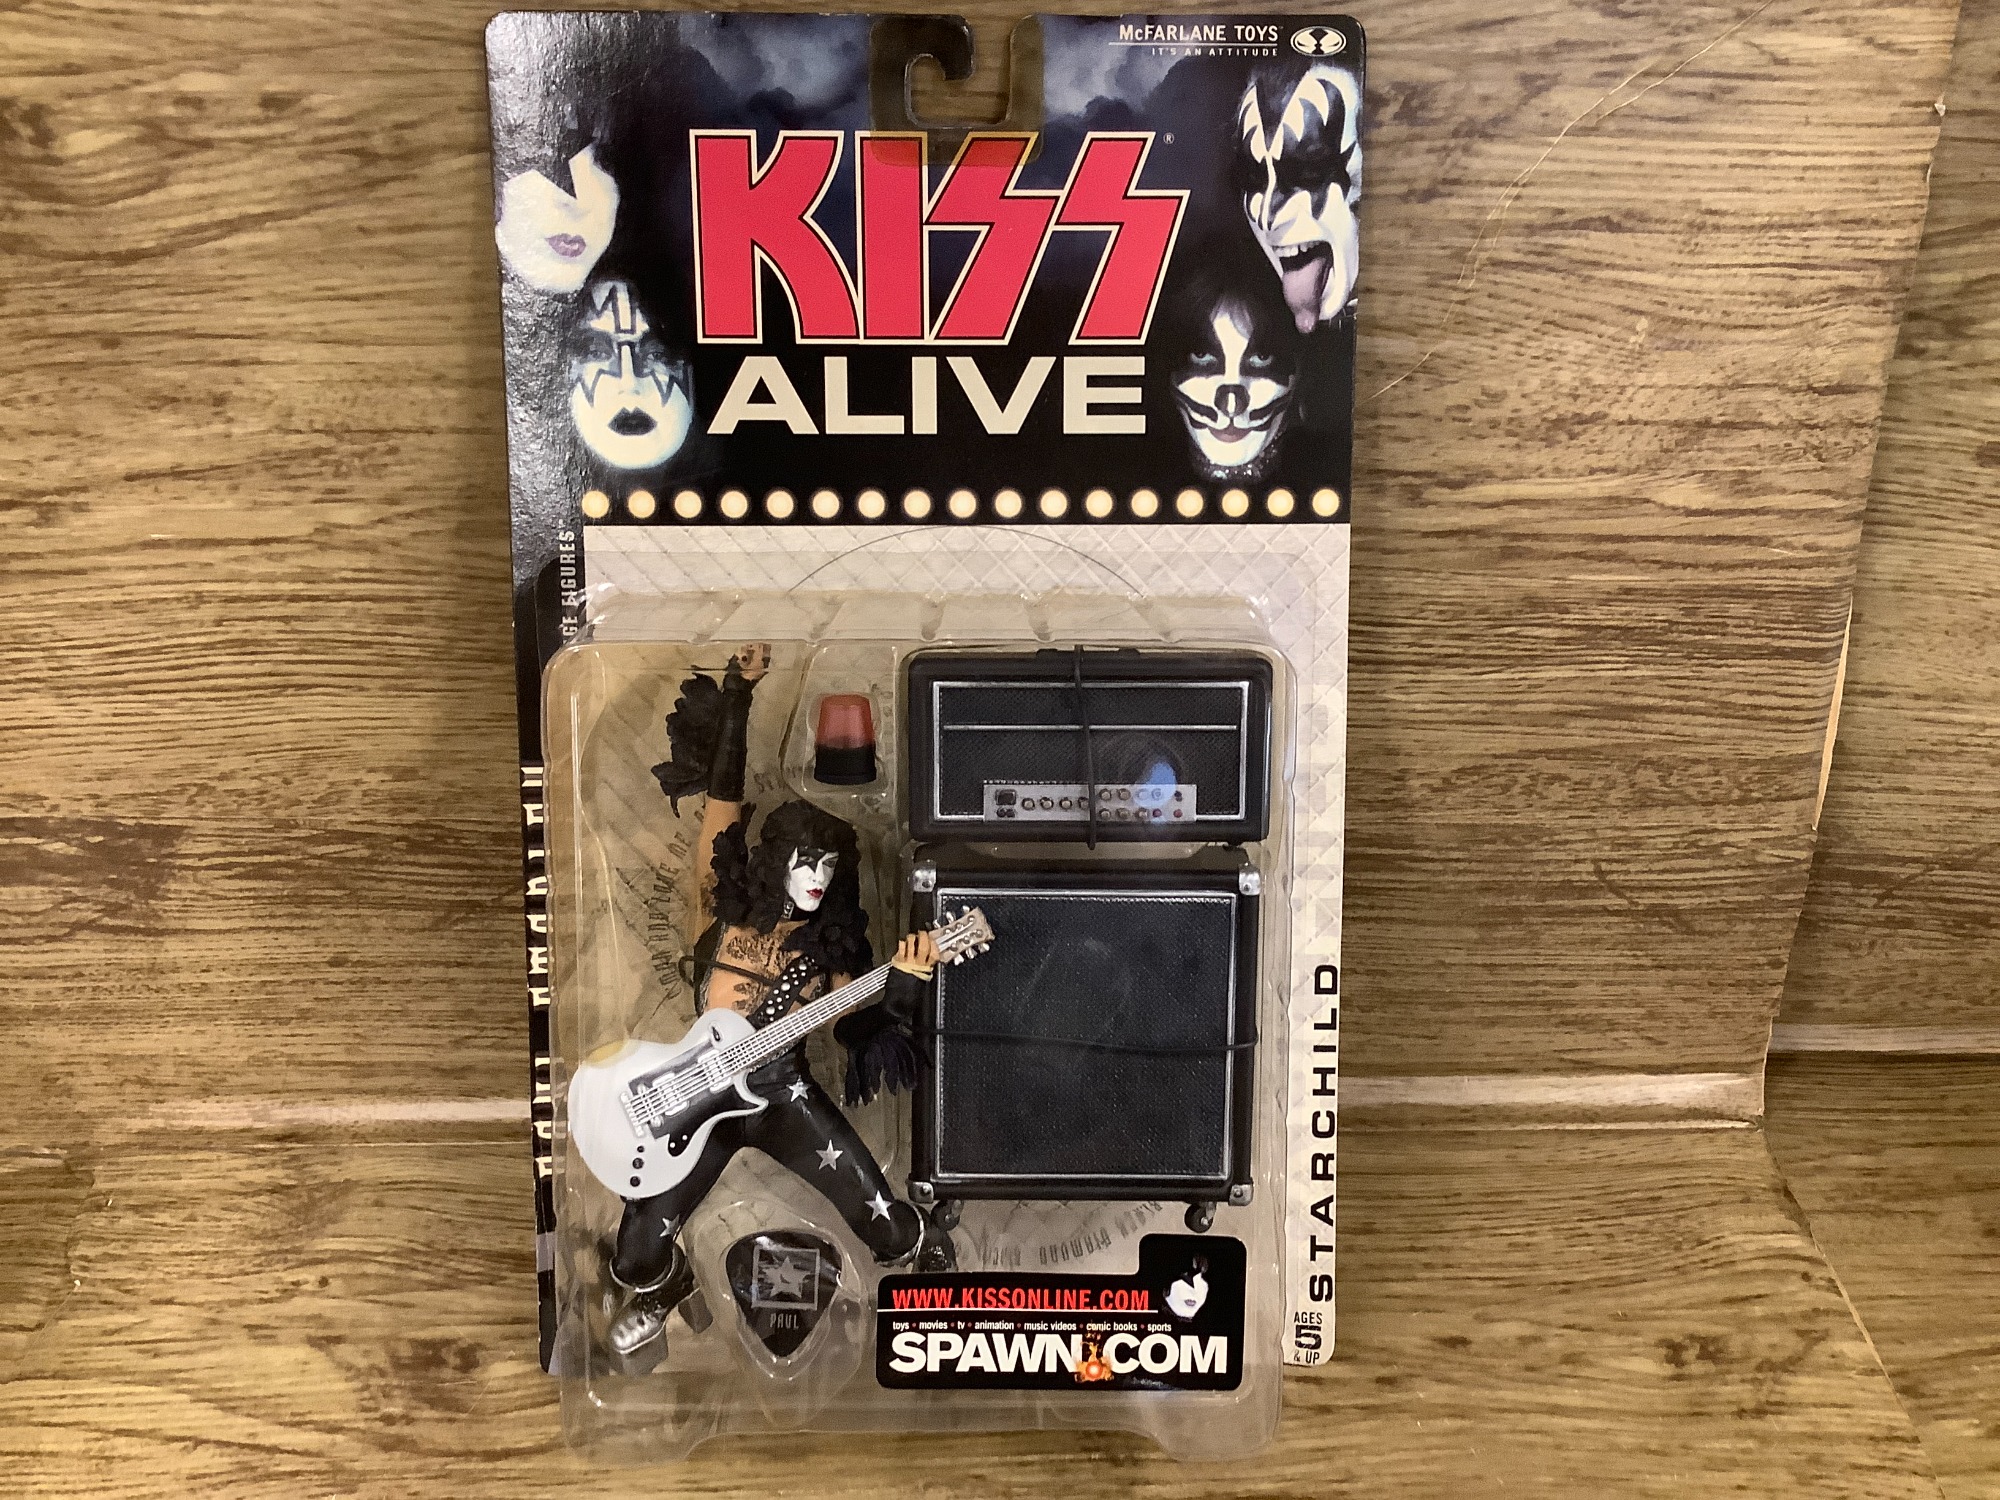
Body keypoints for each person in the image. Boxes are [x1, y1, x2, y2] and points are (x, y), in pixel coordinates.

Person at [602, 644, 953, 1369]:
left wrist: (908, 979)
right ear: (773, 862)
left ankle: (932, 1270)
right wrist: (739, 695)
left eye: (828, 865)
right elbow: (722, 801)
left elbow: (864, 1031)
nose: (817, 877)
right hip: (698, 1105)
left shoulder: (829, 951)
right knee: (634, 1253)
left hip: (784, 1097)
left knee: (888, 1226)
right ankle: (670, 1290)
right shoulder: (719, 911)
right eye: (804, 861)